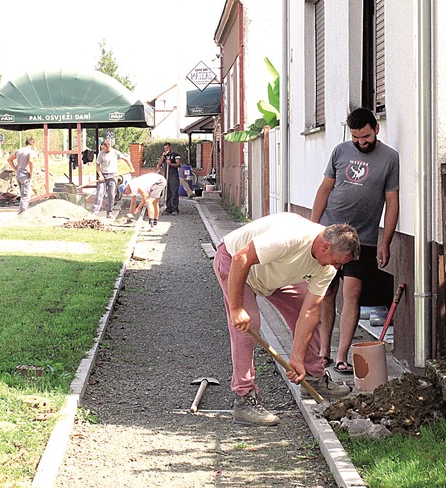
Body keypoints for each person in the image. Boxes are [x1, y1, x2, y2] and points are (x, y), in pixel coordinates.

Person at [213, 213, 360, 426]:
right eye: (337, 262)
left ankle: (312, 377)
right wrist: (236, 308)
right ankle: (244, 399)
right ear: (325, 247)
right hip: (235, 263)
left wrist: (297, 358)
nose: (336, 268)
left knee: (305, 309)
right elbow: (241, 258)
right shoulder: (291, 236)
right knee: (248, 325)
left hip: (275, 274)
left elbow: (309, 312)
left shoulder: (327, 266)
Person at [311, 107, 400, 374]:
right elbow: (325, 188)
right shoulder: (340, 151)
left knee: (352, 294)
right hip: (330, 233)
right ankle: (323, 351)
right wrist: (312, 228)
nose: (361, 142)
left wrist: (386, 241)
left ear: (376, 129)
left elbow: (392, 202)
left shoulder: (390, 158)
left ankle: (341, 356)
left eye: (366, 136)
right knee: (326, 293)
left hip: (364, 239)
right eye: (356, 137)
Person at [93, 139, 134, 218]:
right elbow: (97, 165)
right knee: (100, 193)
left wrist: (131, 168)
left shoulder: (115, 153)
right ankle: (95, 211)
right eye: (102, 148)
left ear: (108, 147)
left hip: (113, 175)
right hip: (103, 176)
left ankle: (109, 212)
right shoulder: (101, 154)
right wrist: (100, 175)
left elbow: (126, 159)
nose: (102, 149)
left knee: (111, 194)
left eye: (103, 148)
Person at [7, 136, 37, 214]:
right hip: (25, 175)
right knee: (25, 195)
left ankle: (22, 211)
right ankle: (23, 213)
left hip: (19, 174)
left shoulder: (19, 151)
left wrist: (15, 169)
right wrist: (31, 172)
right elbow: (30, 161)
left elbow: (9, 159)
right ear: (32, 144)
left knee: (22, 194)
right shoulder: (30, 152)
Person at [156, 142, 181, 215]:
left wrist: (171, 164)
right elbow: (159, 164)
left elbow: (178, 164)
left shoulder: (175, 155)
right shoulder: (165, 155)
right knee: (167, 192)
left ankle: (175, 209)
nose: (166, 149)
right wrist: (162, 157)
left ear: (170, 147)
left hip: (173, 175)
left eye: (167, 148)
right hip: (166, 175)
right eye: (165, 148)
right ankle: (168, 208)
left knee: (174, 192)